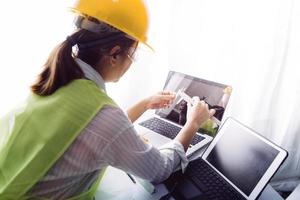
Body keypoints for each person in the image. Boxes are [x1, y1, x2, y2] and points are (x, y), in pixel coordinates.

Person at [0, 0, 215, 199]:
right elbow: (159, 170)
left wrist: (144, 104)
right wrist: (193, 123)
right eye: (133, 54)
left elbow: (90, 133)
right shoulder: (103, 115)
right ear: (114, 54)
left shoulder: (56, 80)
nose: (132, 62)